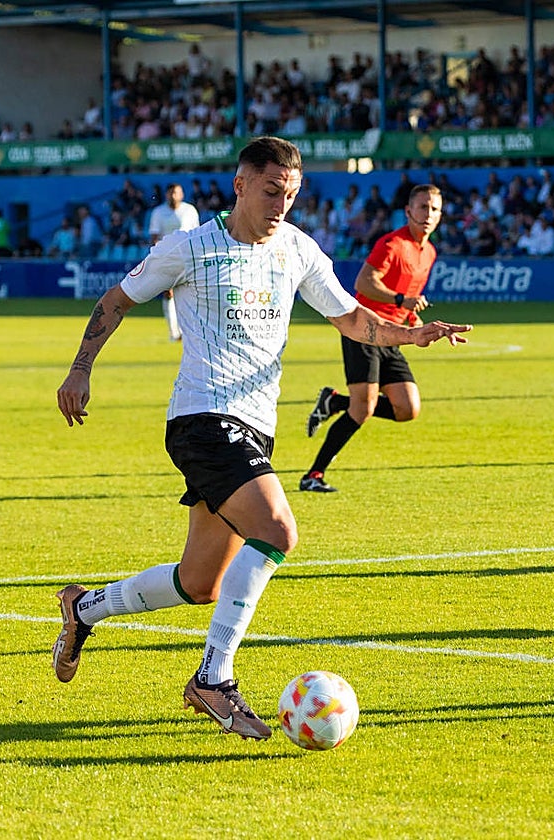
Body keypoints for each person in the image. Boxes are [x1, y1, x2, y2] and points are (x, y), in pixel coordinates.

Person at [51, 137, 471, 739]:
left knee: (200, 582)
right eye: (272, 190)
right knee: (277, 531)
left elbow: (352, 317)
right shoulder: (190, 248)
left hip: (255, 425)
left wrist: (413, 335)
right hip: (201, 418)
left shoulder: (297, 249)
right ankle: (213, 679)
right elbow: (115, 300)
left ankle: (84, 608)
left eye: (292, 193)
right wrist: (80, 369)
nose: (282, 203)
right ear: (241, 184)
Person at [302, 183, 443, 493]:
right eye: (422, 207)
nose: (428, 214)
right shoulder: (393, 243)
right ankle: (313, 475)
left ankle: (334, 401)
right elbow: (364, 283)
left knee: (407, 409)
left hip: (393, 335)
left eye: (434, 209)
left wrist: (409, 313)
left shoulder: (429, 251)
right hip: (365, 331)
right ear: (408, 211)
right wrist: (399, 300)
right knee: (362, 409)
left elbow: (407, 296)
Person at [148, 183, 201, 341]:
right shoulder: (158, 212)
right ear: (166, 195)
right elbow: (154, 236)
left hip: (188, 257)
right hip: (167, 257)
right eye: (170, 193)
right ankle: (174, 332)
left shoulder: (189, 210)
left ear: (182, 194)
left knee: (189, 293)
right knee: (169, 293)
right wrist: (158, 256)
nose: (173, 196)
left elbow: (196, 233)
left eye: (176, 192)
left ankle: (188, 330)